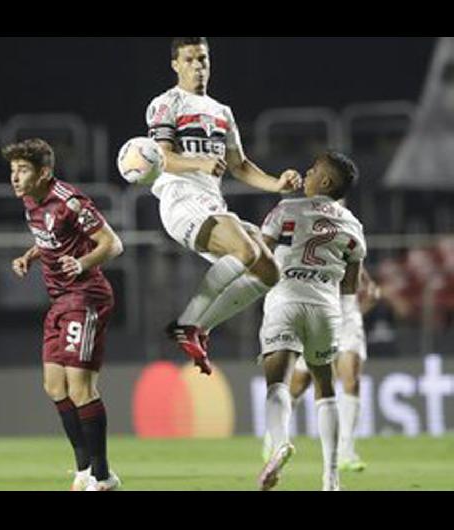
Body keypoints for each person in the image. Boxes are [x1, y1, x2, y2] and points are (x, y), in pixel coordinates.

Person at [146, 37, 302, 375]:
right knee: (246, 250)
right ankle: (187, 323)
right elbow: (161, 158)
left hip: (211, 203)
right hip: (180, 200)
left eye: (202, 59)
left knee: (269, 271)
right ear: (175, 64)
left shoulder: (221, 112)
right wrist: (198, 164)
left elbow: (240, 165)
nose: (198, 66)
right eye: (189, 60)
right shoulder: (166, 103)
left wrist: (277, 183)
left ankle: (201, 327)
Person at [5, 139, 125, 492]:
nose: (14, 177)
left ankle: (104, 476)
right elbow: (50, 239)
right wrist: (30, 256)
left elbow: (113, 244)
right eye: (12, 171)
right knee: (54, 387)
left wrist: (83, 262)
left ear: (44, 173)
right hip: (59, 301)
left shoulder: (71, 201)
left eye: (22, 170)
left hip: (86, 297)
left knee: (81, 388)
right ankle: (84, 469)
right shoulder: (31, 200)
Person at [256, 151, 366, 492]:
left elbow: (258, 255)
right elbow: (351, 283)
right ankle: (331, 479)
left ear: (326, 181)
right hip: (326, 310)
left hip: (286, 300)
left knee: (278, 384)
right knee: (325, 388)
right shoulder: (352, 224)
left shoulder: (287, 209)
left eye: (313, 169)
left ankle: (280, 443)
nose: (307, 172)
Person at [272, 267, 381, 472]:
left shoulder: (349, 239)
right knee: (300, 383)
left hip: (348, 316)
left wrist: (369, 286)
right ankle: (275, 433)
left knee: (352, 379)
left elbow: (356, 260)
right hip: (317, 314)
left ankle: (346, 452)